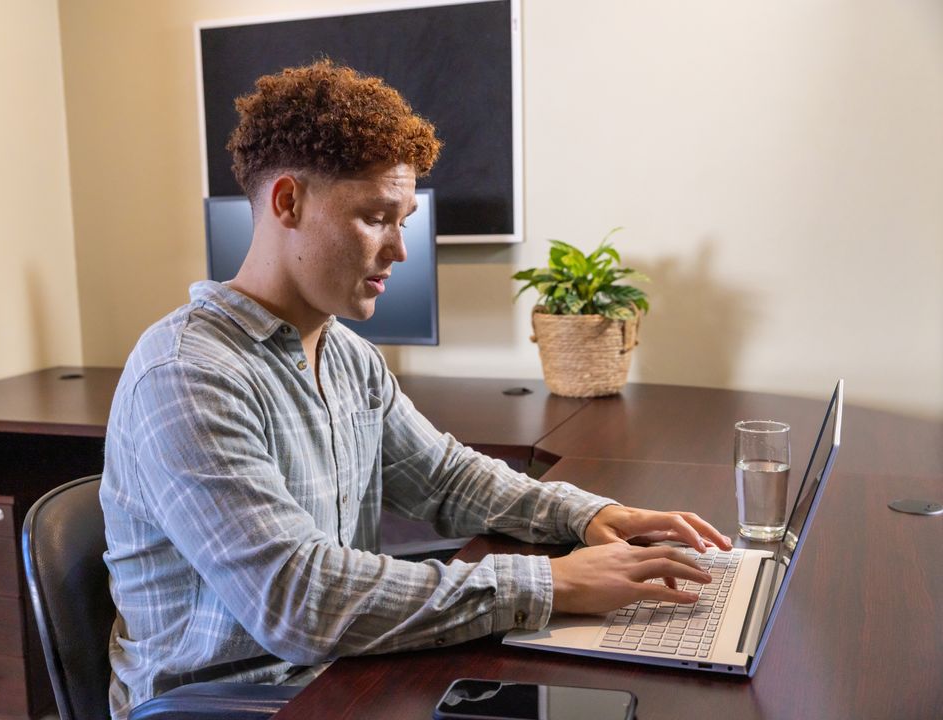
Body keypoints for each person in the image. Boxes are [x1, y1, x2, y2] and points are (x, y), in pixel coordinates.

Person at [100, 60, 732, 719]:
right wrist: (549, 582)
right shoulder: (187, 373)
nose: (400, 250)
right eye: (377, 217)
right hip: (234, 702)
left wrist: (588, 515)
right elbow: (297, 602)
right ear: (288, 202)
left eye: (403, 220)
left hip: (335, 672)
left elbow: (450, 480)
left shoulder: (346, 355)